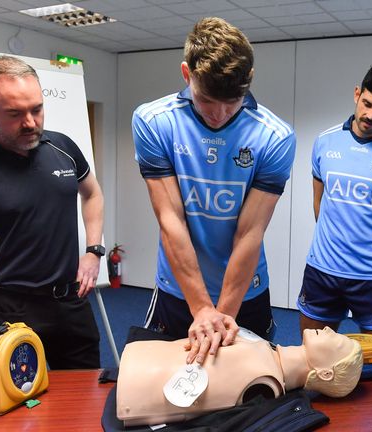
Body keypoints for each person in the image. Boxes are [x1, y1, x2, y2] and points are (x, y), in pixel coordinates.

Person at [132, 17, 296, 365]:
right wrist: (201, 308)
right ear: (186, 73)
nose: (219, 115)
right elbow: (170, 218)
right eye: (207, 100)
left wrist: (221, 317)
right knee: (168, 393)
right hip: (178, 291)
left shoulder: (274, 137)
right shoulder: (154, 122)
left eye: (232, 102)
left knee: (251, 397)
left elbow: (250, 232)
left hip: (244, 293)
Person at [0, 55, 105, 369]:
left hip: (70, 301)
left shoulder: (63, 147)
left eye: (36, 109)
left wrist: (94, 251)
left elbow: (92, 193)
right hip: (11, 308)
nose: (30, 123)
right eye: (14, 114)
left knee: (85, 400)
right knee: (17, 407)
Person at [296, 64, 372, 360]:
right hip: (323, 269)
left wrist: (368, 235)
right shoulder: (325, 142)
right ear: (356, 94)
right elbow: (320, 204)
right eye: (367, 104)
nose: (370, 115)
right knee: (312, 361)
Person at [116, 327, 362, 426]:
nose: (330, 329)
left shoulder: (263, 377)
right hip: (136, 369)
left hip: (133, 383)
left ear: (326, 372)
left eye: (338, 343)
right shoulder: (267, 355)